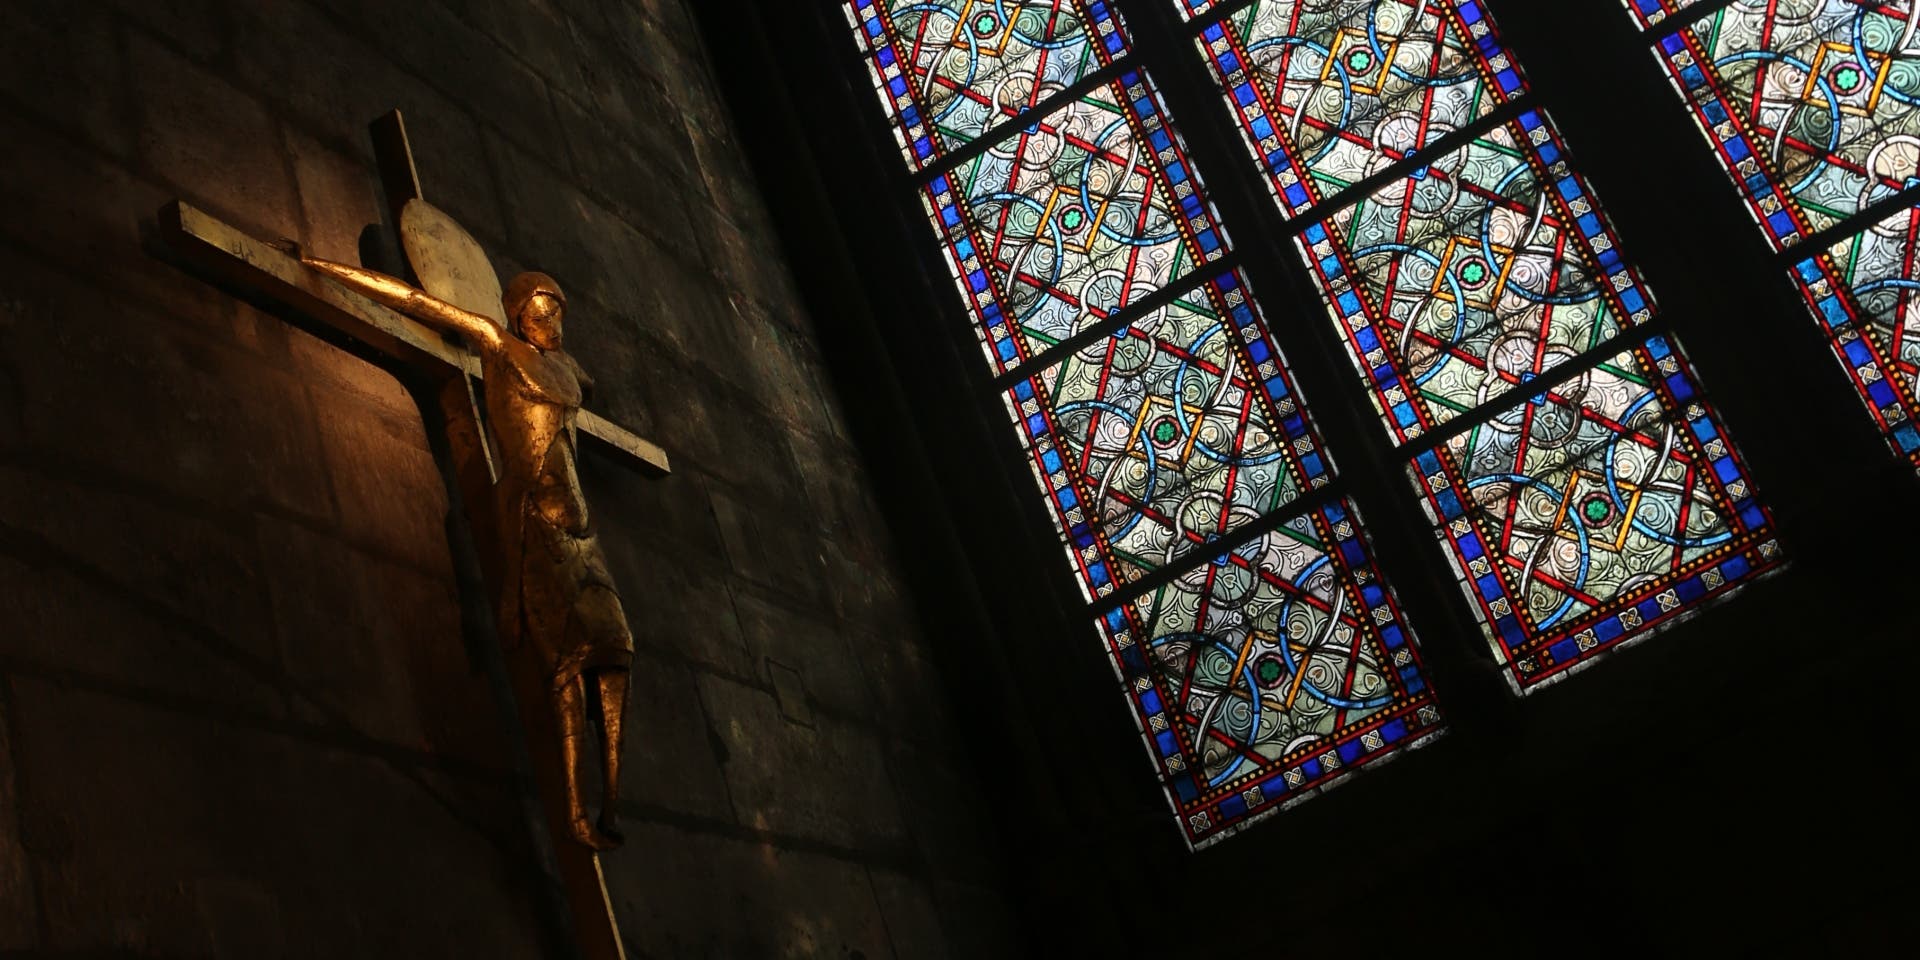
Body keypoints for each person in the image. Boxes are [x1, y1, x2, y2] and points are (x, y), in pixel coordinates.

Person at [291, 251, 632, 851]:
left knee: (619, 649)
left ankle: (615, 800)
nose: (551, 321)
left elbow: (589, 382)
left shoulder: (568, 368)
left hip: (585, 536)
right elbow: (419, 304)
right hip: (535, 526)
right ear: (518, 314)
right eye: (540, 310)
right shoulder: (496, 345)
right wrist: (321, 264)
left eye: (558, 311)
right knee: (566, 669)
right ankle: (578, 811)